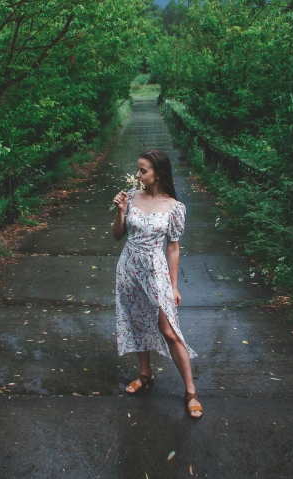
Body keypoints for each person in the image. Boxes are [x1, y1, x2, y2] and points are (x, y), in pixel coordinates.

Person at [111, 149, 202, 419]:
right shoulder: (131, 197)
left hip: (155, 272)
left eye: (143, 171)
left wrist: (173, 286)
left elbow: (173, 248)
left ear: (158, 174)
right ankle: (145, 375)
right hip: (128, 269)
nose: (138, 175)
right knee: (136, 321)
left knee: (170, 330)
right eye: (137, 169)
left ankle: (191, 391)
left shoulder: (174, 207)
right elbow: (117, 235)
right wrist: (121, 211)